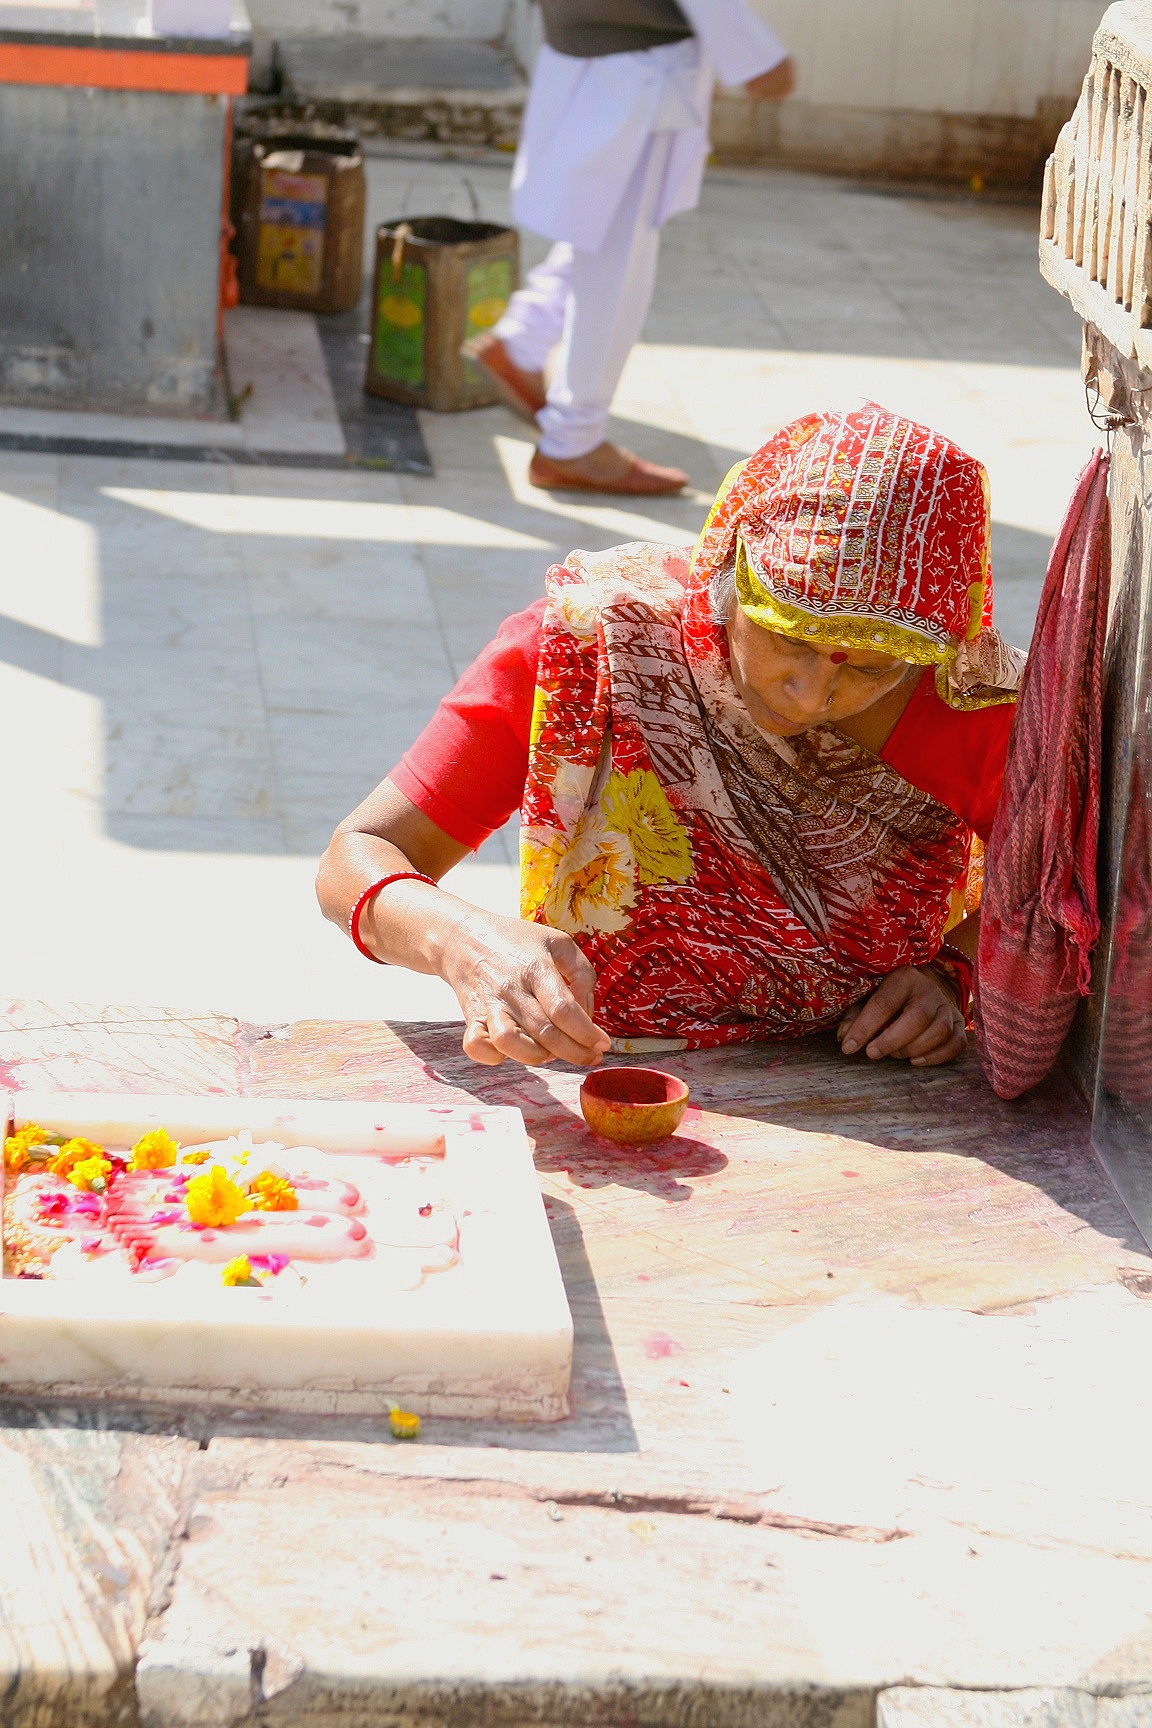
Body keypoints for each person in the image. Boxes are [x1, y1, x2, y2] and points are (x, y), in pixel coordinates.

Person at [317, 405, 1026, 1071]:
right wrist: (464, 942)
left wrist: (952, 971)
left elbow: (1054, 896)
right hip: (606, 1069)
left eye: (870, 667)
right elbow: (356, 860)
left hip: (864, 1085)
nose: (809, 695)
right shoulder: (596, 649)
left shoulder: (975, 711)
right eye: (785, 638)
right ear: (728, 567)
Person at [464, 0, 796, 497]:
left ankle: (522, 341)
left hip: (584, 53)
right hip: (636, 73)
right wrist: (756, 55)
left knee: (596, 227)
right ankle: (571, 442)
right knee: (616, 267)